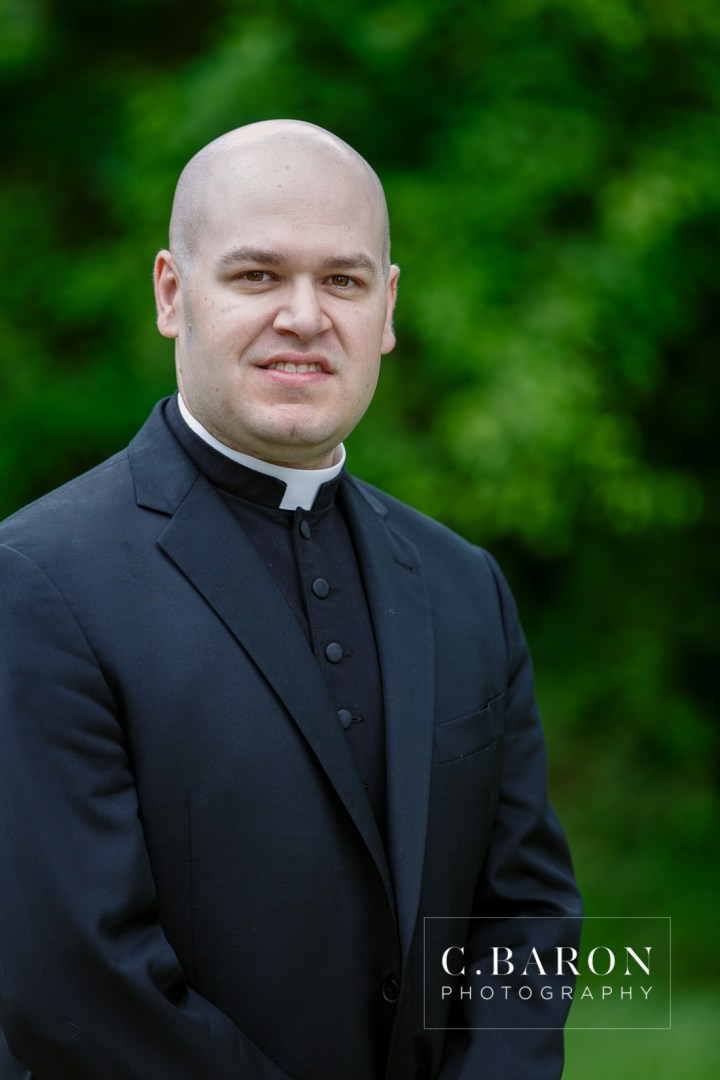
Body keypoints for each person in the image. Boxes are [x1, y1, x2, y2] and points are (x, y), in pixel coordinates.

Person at [0, 120, 581, 1080]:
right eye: (258, 275)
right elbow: (74, 981)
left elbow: (523, 917)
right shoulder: (36, 581)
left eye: (343, 280)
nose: (306, 316)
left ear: (387, 309)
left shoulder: (463, 584)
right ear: (172, 293)